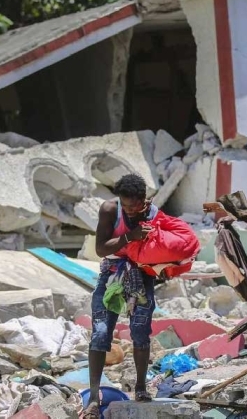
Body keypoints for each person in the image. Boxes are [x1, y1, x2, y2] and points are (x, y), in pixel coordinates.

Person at [83, 173, 157, 418]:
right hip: (112, 274)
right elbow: (100, 248)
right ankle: (94, 397)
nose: (132, 210)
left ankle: (140, 387)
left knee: (140, 330)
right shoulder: (109, 210)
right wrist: (129, 236)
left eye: (137, 205)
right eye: (127, 205)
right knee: (101, 331)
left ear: (144, 199)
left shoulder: (154, 213)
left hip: (142, 274)